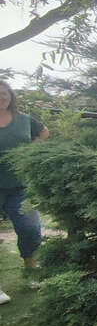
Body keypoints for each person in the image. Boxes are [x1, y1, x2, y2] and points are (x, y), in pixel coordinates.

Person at [0, 80, 49, 304]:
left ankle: (31, 271)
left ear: (11, 96)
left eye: (4, 93)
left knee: (29, 229)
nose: (1, 97)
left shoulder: (24, 120)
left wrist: (33, 152)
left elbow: (43, 131)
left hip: (20, 185)